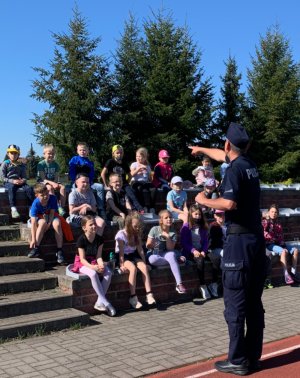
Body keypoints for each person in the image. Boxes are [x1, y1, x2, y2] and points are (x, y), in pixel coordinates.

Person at [190, 122, 267, 375]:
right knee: (254, 302)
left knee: (234, 304)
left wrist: (204, 200)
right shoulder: (249, 165)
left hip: (239, 243)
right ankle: (252, 356)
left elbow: (229, 203)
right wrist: (201, 149)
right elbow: (222, 154)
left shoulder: (234, 170)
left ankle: (237, 360)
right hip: (256, 240)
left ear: (227, 145)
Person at [72, 215, 116, 316]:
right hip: (81, 263)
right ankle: (107, 303)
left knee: (108, 272)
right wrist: (93, 267)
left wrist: (100, 265)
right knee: (92, 274)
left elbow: (99, 256)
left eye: (94, 224)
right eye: (90, 225)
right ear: (84, 228)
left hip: (93, 261)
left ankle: (99, 302)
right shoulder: (81, 240)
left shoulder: (100, 239)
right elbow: (82, 259)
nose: (94, 226)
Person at [114, 213, 156, 309]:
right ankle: (133, 297)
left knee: (144, 268)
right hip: (123, 256)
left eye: (138, 226)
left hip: (133, 254)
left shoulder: (136, 234)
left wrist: (145, 262)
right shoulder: (121, 235)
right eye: (135, 226)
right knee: (133, 269)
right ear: (128, 225)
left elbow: (140, 250)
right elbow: (120, 252)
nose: (137, 228)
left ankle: (149, 294)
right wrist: (121, 265)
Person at [146, 209, 187, 294]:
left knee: (171, 255)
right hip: (156, 253)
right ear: (161, 220)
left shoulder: (173, 232)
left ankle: (179, 284)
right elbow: (148, 245)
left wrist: (168, 237)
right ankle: (176, 261)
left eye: (170, 217)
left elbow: (170, 249)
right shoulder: (154, 229)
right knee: (152, 260)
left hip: (167, 253)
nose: (169, 219)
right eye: (166, 218)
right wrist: (154, 243)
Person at [262, 204, 300, 284]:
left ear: (277, 214)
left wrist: (282, 244)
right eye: (272, 212)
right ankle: (286, 274)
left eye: (275, 212)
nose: (274, 213)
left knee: (295, 250)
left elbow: (280, 237)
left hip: (279, 244)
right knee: (283, 251)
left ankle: (293, 273)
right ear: (268, 212)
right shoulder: (265, 221)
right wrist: (267, 219)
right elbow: (264, 233)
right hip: (270, 244)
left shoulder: (278, 224)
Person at [27, 183, 65, 264]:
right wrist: (33, 239)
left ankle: (59, 250)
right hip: (39, 217)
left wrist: (50, 223)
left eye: (47, 194)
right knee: (42, 223)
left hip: (49, 215)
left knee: (57, 224)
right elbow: (33, 223)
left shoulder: (53, 198)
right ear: (37, 195)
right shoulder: (35, 203)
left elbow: (52, 212)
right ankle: (36, 248)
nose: (45, 196)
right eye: (42, 195)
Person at [180, 203, 211, 299]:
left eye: (199, 214)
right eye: (195, 214)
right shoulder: (186, 227)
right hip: (190, 251)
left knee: (215, 258)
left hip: (201, 250)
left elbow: (206, 241)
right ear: (191, 214)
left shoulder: (203, 227)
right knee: (200, 261)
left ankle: (215, 284)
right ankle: (203, 285)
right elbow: (184, 242)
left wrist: (204, 251)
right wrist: (193, 250)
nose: (198, 216)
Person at [101, 145, 144, 212]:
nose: (119, 154)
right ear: (113, 154)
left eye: (121, 153)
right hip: (114, 183)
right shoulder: (110, 162)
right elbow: (103, 173)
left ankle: (139, 209)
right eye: (117, 153)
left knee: (131, 193)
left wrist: (127, 182)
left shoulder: (124, 163)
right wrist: (106, 185)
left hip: (123, 183)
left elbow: (129, 174)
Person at [69, 142, 106, 219]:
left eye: (84, 150)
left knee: (100, 186)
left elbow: (92, 174)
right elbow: (71, 172)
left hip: (88, 182)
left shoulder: (90, 162)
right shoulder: (74, 160)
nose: (82, 152)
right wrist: (75, 181)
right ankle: (75, 210)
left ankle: (100, 208)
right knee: (74, 190)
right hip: (77, 182)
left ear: (88, 151)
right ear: (77, 151)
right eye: (80, 150)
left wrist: (89, 182)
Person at [1, 144, 35, 219]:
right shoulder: (5, 163)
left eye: (15, 153)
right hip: (9, 182)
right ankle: (13, 208)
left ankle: (30, 208)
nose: (13, 155)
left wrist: (23, 180)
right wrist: (12, 181)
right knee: (11, 189)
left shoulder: (21, 165)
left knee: (29, 189)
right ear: (8, 154)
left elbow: (25, 177)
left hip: (20, 181)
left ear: (18, 154)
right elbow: (2, 177)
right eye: (11, 153)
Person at [37, 144, 66, 216]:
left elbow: (56, 177)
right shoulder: (41, 164)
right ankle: (56, 206)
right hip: (42, 181)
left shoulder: (56, 164)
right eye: (49, 153)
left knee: (63, 187)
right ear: (44, 154)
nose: (51, 155)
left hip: (53, 181)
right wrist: (53, 184)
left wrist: (55, 183)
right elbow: (43, 179)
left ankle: (61, 207)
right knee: (50, 188)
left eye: (53, 154)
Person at [130, 147, 156, 213]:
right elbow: (132, 174)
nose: (138, 158)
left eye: (140, 156)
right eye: (137, 156)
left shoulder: (147, 166)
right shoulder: (134, 164)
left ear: (144, 157)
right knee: (141, 188)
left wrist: (148, 172)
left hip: (145, 182)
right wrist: (138, 169)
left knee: (153, 189)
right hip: (136, 181)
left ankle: (151, 207)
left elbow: (149, 179)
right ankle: (143, 206)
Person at [208, 209, 226, 297]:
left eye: (222, 215)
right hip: (215, 249)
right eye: (219, 215)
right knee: (225, 254)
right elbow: (213, 242)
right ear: (215, 216)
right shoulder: (213, 226)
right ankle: (215, 284)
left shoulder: (228, 225)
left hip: (225, 248)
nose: (221, 217)